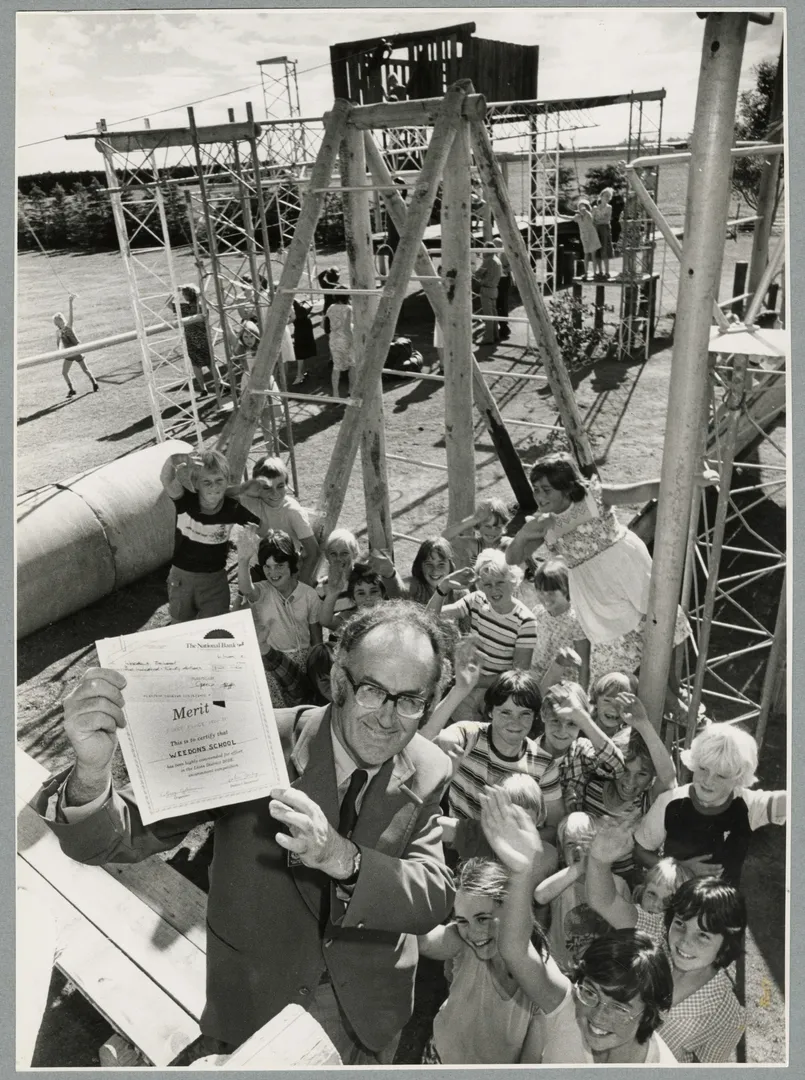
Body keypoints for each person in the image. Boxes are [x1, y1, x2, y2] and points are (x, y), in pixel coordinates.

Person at [33, 602, 457, 1065]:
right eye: (372, 691)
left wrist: (344, 859)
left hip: (370, 1022)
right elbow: (117, 839)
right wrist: (92, 774)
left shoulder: (430, 767)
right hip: (257, 1012)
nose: (389, 718)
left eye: (411, 701)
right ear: (338, 682)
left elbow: (433, 895)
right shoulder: (247, 738)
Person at [480, 788, 676, 1063]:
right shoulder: (568, 1009)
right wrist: (521, 872)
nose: (597, 1016)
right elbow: (514, 950)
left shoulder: (663, 1068)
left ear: (650, 1014)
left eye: (620, 1007)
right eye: (591, 992)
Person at [505, 452, 715, 693]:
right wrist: (524, 533)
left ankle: (674, 690)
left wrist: (692, 480)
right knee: (621, 645)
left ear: (566, 487)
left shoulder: (594, 496)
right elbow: (512, 558)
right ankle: (659, 697)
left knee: (661, 623)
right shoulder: (545, 524)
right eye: (536, 489)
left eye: (546, 490)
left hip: (627, 568)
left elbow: (644, 491)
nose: (539, 496)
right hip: (595, 589)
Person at [586, 817, 748, 1062]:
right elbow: (604, 901)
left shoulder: (726, 1012)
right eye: (680, 924)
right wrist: (599, 860)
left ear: (726, 944)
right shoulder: (657, 936)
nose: (684, 942)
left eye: (703, 935)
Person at [417, 858, 546, 1064]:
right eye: (462, 921)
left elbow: (531, 1058)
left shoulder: (540, 965)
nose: (475, 932)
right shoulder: (461, 940)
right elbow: (424, 942)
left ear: (511, 909)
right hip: (443, 1060)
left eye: (483, 918)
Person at [633, 721, 787, 886]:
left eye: (721, 776)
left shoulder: (748, 804)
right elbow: (640, 852)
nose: (708, 780)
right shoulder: (670, 801)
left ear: (738, 778)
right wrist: (680, 868)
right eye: (703, 769)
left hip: (721, 905)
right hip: (675, 902)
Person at [571, 693, 677, 885]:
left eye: (642, 774)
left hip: (621, 881)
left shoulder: (645, 801)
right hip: (582, 871)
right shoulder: (595, 784)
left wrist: (643, 724)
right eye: (625, 771)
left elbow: (668, 777)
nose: (630, 781)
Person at [429, 549, 537, 723]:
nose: (494, 589)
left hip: (495, 694)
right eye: (487, 584)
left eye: (500, 582)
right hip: (467, 685)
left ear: (512, 581)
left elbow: (518, 674)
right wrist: (444, 586)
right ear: (480, 585)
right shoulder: (477, 600)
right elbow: (430, 617)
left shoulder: (526, 620)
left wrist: (477, 682)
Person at [160, 449, 258, 623]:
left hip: (214, 582)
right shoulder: (185, 500)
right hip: (182, 578)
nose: (214, 487)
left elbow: (260, 527)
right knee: (180, 626)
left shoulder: (232, 508)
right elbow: (166, 479)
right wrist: (174, 459)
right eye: (207, 482)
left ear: (227, 481)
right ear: (196, 483)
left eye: (219, 480)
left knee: (214, 628)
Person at [236, 527, 323, 708]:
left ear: (292, 564)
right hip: (272, 664)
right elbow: (246, 589)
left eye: (279, 565)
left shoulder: (309, 595)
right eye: (267, 566)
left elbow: (317, 639)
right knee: (279, 714)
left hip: (303, 664)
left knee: (303, 709)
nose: (273, 572)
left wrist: (317, 670)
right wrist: (243, 560)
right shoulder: (262, 591)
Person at [535, 811, 631, 972]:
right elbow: (540, 895)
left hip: (599, 968)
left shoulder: (618, 885)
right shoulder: (561, 881)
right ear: (561, 852)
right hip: (559, 966)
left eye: (585, 843)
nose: (578, 849)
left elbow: (626, 933)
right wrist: (579, 868)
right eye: (570, 844)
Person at [437, 773, 557, 874]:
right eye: (511, 818)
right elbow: (436, 825)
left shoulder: (543, 854)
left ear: (539, 819)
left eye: (525, 821)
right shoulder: (480, 834)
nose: (517, 827)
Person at [236, 456, 320, 585]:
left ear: (287, 485)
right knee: (250, 602)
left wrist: (301, 587)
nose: (275, 493)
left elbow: (313, 551)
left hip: (284, 571)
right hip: (258, 569)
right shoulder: (252, 501)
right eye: (267, 487)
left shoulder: (293, 512)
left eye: (280, 486)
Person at [518, 558, 589, 692]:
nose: (545, 597)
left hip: (562, 684)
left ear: (566, 589)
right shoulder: (538, 612)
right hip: (535, 678)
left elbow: (583, 664)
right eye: (540, 591)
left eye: (551, 593)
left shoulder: (576, 620)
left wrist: (582, 695)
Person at [169, 283, 214, 396]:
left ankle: (203, 388)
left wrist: (175, 291)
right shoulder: (202, 307)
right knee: (211, 363)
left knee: (196, 364)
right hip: (204, 337)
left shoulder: (184, 308)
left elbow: (168, 304)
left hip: (191, 339)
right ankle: (220, 383)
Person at [53, 293, 99, 398]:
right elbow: (58, 343)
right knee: (78, 370)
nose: (56, 323)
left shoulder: (66, 328)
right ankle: (93, 383)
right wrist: (60, 350)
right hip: (75, 352)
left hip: (71, 353)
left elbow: (71, 315)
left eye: (56, 321)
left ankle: (73, 389)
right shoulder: (62, 330)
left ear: (58, 322)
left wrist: (70, 302)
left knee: (69, 372)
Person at [407, 537, 469, 607]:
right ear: (420, 566)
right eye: (429, 564)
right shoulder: (415, 589)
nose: (435, 570)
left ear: (450, 565)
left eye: (441, 564)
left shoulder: (460, 594)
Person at [442, 497, 511, 559]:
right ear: (479, 525)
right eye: (487, 527)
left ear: (503, 527)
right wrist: (475, 519)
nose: (492, 532)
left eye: (497, 528)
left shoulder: (507, 544)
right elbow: (444, 538)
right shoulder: (473, 545)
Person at [327, 288, 355, 399]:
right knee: (353, 365)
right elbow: (347, 328)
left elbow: (324, 323)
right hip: (346, 339)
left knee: (336, 367)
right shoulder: (349, 309)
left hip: (334, 338)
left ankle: (335, 394)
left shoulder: (331, 308)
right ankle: (351, 391)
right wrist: (353, 341)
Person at [474, 245, 502, 345]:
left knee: (488, 315)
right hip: (494, 289)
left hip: (486, 289)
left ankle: (489, 337)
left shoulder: (488, 261)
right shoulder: (497, 260)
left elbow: (477, 273)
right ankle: (495, 334)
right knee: (494, 313)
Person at [573, 198, 600, 281]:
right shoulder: (578, 217)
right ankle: (586, 272)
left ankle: (595, 273)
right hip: (585, 238)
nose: (582, 209)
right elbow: (569, 218)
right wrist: (559, 215)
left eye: (583, 207)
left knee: (593, 255)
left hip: (592, 236)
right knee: (586, 255)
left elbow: (590, 216)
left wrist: (584, 210)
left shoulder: (588, 214)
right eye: (580, 207)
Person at [592, 188, 614, 280]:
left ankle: (607, 272)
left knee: (605, 250)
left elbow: (607, 219)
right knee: (597, 250)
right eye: (606, 196)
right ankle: (599, 271)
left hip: (605, 229)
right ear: (601, 196)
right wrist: (598, 221)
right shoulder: (595, 208)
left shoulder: (609, 207)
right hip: (596, 229)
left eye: (609, 196)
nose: (607, 198)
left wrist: (599, 221)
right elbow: (593, 220)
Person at [292, 298, 317, 365]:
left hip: (299, 336)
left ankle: (301, 373)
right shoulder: (304, 313)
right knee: (304, 355)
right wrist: (305, 302)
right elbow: (311, 306)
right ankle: (301, 373)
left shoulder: (295, 316)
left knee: (300, 356)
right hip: (307, 336)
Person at [495, 241, 512, 340]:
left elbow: (511, 266)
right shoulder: (496, 254)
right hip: (499, 280)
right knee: (499, 304)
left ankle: (504, 328)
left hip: (504, 280)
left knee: (502, 303)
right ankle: (502, 326)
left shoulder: (504, 254)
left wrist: (503, 270)